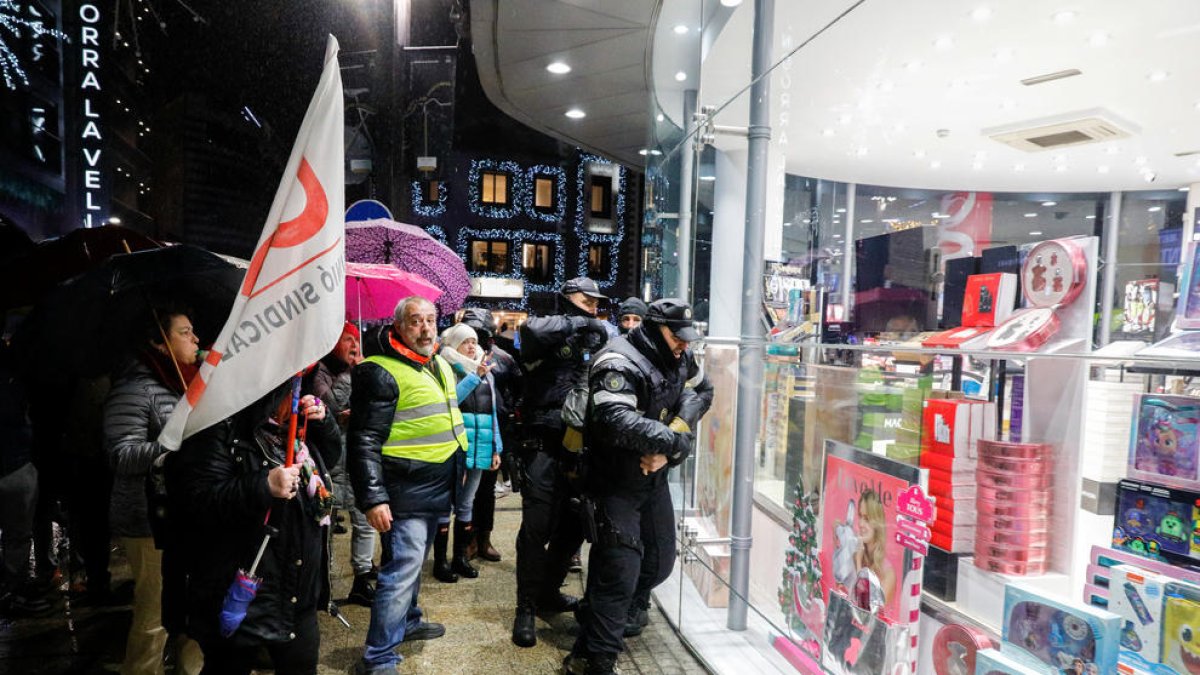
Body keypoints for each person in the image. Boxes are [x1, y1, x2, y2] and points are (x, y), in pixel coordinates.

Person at [565, 298, 713, 675]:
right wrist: (676, 443)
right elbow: (616, 420)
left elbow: (702, 393)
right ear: (652, 327)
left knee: (660, 563)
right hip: (613, 482)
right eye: (677, 336)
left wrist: (673, 444)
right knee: (619, 571)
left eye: (687, 337)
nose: (684, 344)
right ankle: (596, 661)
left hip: (654, 477)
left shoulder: (681, 357)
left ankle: (593, 622)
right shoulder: (616, 360)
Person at [167, 382, 338, 675]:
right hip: (243, 595)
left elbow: (330, 461)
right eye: (290, 390)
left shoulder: (291, 430)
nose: (299, 397)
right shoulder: (217, 427)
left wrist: (325, 425)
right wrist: (263, 485)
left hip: (297, 595)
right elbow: (197, 502)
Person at [349, 296, 464, 675]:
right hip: (405, 489)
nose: (426, 328)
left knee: (415, 563)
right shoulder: (379, 371)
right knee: (401, 569)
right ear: (398, 326)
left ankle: (409, 620)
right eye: (416, 321)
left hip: (437, 483)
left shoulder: (438, 364)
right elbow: (363, 438)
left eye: (431, 320)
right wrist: (373, 497)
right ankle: (379, 655)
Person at [104, 309, 203, 675]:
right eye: (185, 332)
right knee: (156, 616)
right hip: (149, 521)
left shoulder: (188, 384)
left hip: (188, 512)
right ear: (159, 342)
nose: (195, 339)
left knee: (194, 610)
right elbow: (121, 454)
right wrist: (174, 447)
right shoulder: (134, 389)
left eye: (194, 331)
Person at [512, 276, 609, 648]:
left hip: (582, 445)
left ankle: (548, 592)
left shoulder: (596, 336)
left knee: (575, 525)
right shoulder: (545, 327)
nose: (594, 310)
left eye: (596, 305)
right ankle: (525, 608)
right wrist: (582, 321)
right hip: (544, 443)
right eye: (587, 302)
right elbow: (529, 333)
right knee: (536, 527)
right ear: (568, 300)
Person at [305, 322, 376, 607]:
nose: (354, 345)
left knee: (365, 520)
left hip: (357, 456)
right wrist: (353, 376)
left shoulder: (360, 369)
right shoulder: (319, 371)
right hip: (330, 461)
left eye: (356, 339)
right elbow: (331, 406)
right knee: (325, 522)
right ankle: (322, 585)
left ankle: (362, 578)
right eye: (348, 339)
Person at [430, 322, 499, 582]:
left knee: (467, 503)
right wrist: (475, 376)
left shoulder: (486, 372)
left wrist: (496, 447)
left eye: (473, 341)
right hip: (453, 446)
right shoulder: (444, 367)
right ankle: (440, 562)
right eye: (465, 342)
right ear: (454, 345)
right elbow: (449, 402)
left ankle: (459, 557)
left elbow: (492, 413)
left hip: (480, 446)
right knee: (444, 505)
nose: (471, 346)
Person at [459, 307, 520, 563]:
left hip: (493, 431)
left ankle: (484, 538)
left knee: (486, 490)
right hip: (465, 431)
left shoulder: (503, 359)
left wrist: (506, 412)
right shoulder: (456, 358)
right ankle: (467, 541)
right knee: (466, 491)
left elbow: (518, 387)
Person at [0, 338, 47, 616]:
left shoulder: (13, 365)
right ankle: (14, 589)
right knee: (18, 535)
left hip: (16, 458)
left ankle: (13, 589)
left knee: (19, 534)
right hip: (16, 459)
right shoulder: (14, 365)